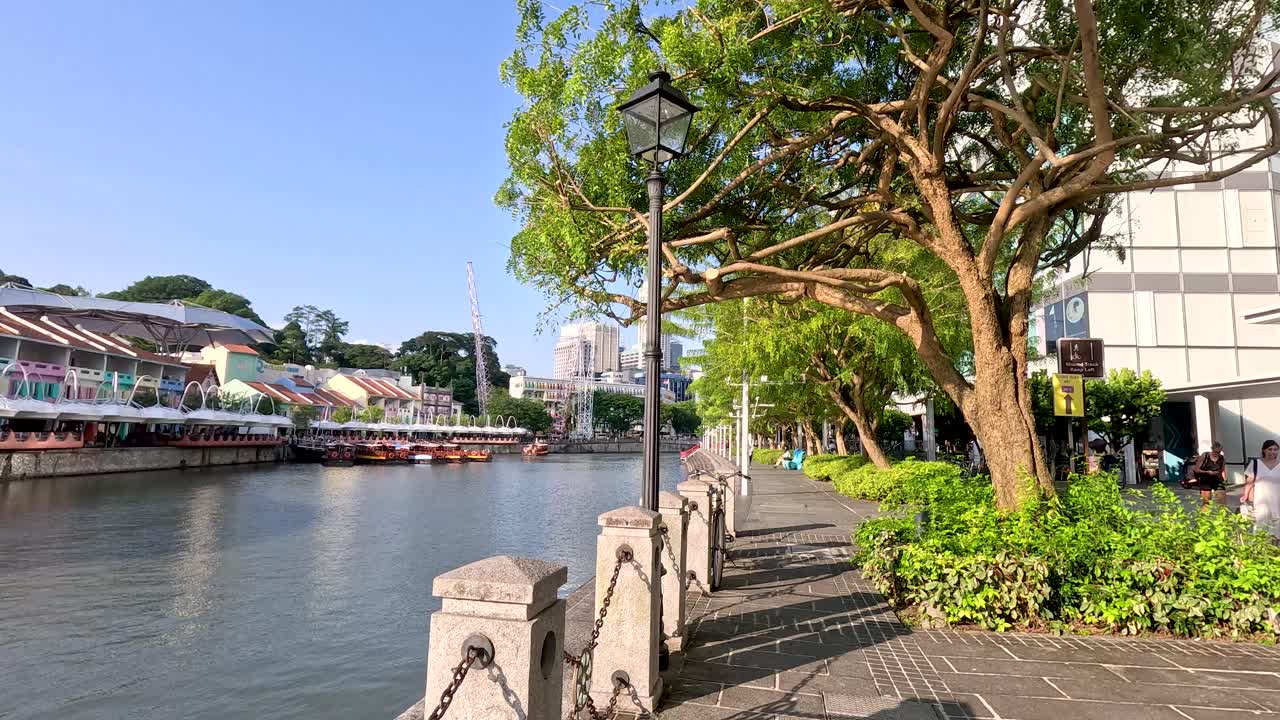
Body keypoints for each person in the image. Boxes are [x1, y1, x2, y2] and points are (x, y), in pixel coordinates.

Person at [1244, 439, 1280, 540]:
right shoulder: (1256, 463)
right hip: (1261, 501)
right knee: (1261, 525)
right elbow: (1250, 481)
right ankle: (1261, 550)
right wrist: (1246, 495)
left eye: (1275, 449)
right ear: (1264, 450)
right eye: (1270, 449)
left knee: (1278, 526)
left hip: (1278, 502)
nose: (1273, 452)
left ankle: (1276, 550)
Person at [1193, 441, 1228, 509]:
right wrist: (1207, 472)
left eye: (1219, 452)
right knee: (1207, 502)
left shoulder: (1222, 458)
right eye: (1215, 451)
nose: (1217, 453)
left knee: (1222, 501)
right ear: (1212, 449)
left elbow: (1222, 470)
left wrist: (1225, 480)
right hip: (1206, 480)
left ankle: (1222, 518)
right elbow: (1196, 469)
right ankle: (1204, 517)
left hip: (1218, 480)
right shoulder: (1205, 455)